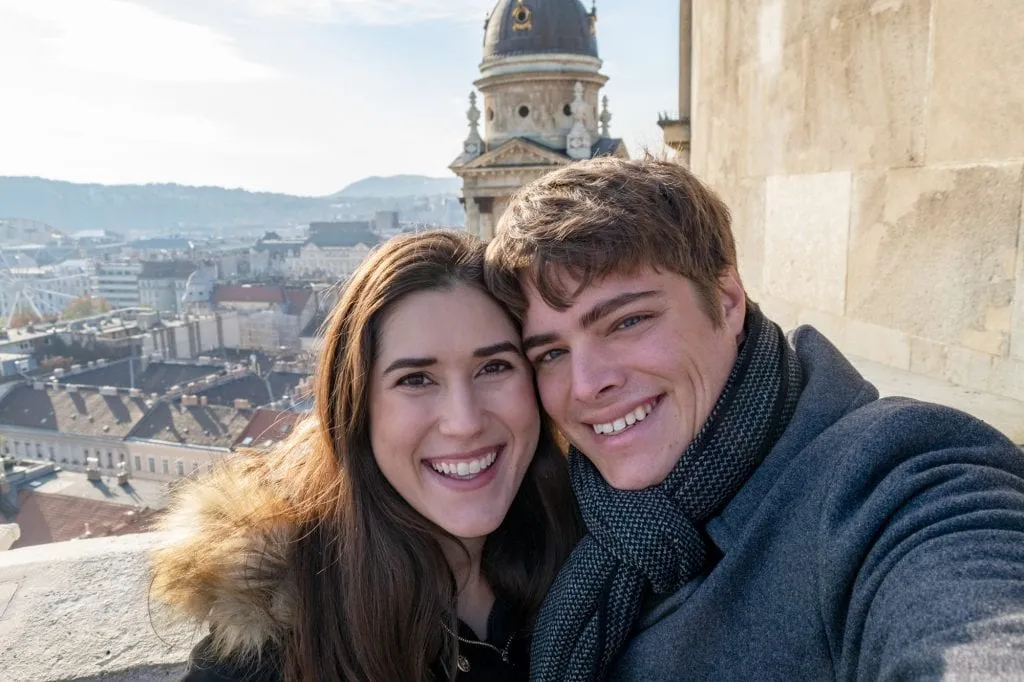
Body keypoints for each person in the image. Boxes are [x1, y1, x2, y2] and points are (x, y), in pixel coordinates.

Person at [484, 157, 1024, 681]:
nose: (586, 384)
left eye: (627, 321)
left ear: (726, 301)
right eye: (551, 353)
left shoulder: (893, 469)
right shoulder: (562, 506)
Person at [150, 230, 580, 682]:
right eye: (416, 379)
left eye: (494, 367)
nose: (465, 421)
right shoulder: (278, 641)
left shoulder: (592, 548)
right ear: (356, 408)